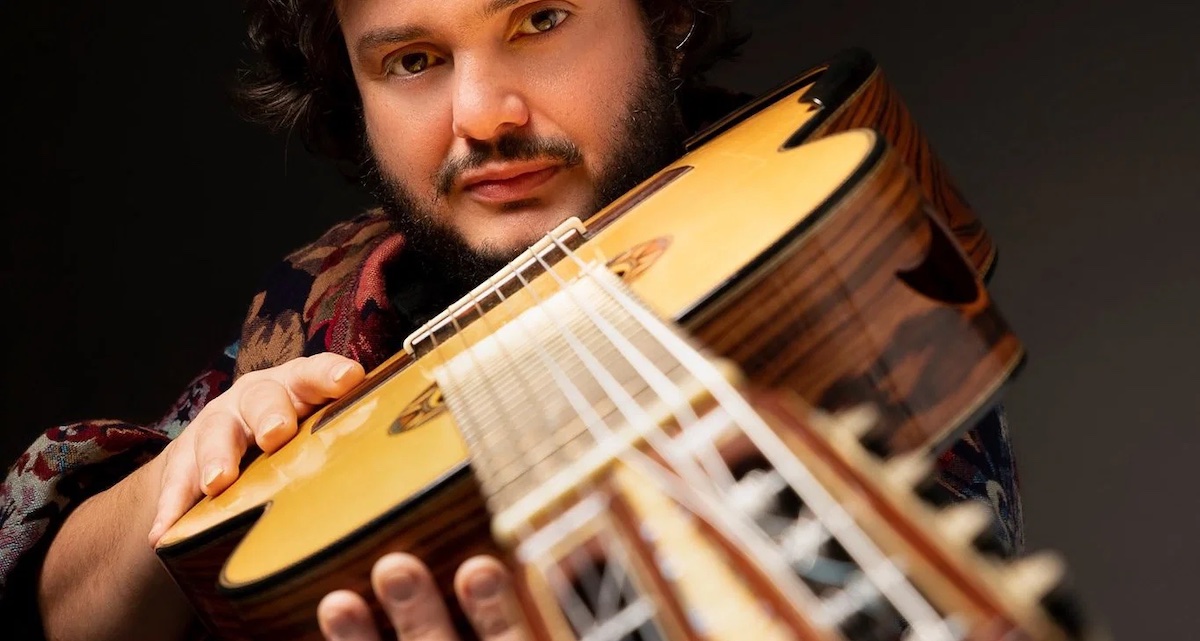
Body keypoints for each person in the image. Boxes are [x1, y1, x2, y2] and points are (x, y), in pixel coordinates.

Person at [0, 0, 1025, 639]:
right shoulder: (324, 292)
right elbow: (54, 600)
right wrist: (179, 495)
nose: (484, 115)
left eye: (538, 20)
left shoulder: (801, 225)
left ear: (663, 17)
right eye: (412, 61)